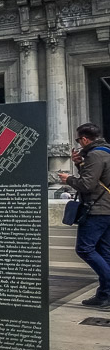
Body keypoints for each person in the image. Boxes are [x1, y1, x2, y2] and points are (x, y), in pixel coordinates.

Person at [58, 123, 110, 308]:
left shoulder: (95, 155)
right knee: (104, 252)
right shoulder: (106, 152)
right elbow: (97, 180)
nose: (79, 144)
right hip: (106, 209)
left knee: (84, 249)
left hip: (97, 210)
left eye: (79, 140)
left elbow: (87, 185)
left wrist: (68, 179)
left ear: (85, 139)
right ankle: (104, 295)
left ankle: (107, 286)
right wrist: (79, 164)